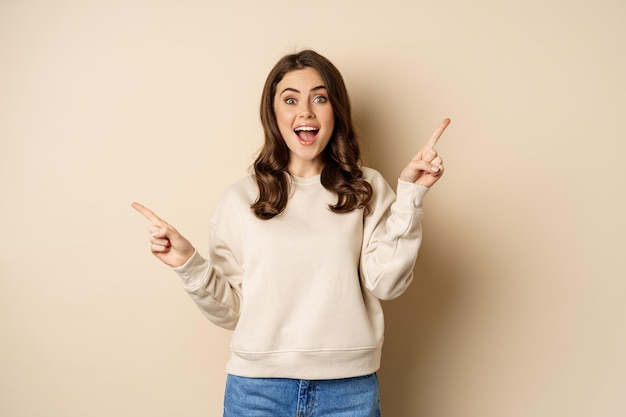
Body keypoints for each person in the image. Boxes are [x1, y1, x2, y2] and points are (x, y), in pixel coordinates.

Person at [133, 49, 449, 416]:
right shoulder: (241, 198)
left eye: (319, 98)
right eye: (290, 99)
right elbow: (233, 312)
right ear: (274, 114)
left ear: (336, 111)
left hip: (350, 392)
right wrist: (188, 263)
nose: (306, 112)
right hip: (256, 392)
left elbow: (386, 284)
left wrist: (411, 195)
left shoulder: (367, 188)